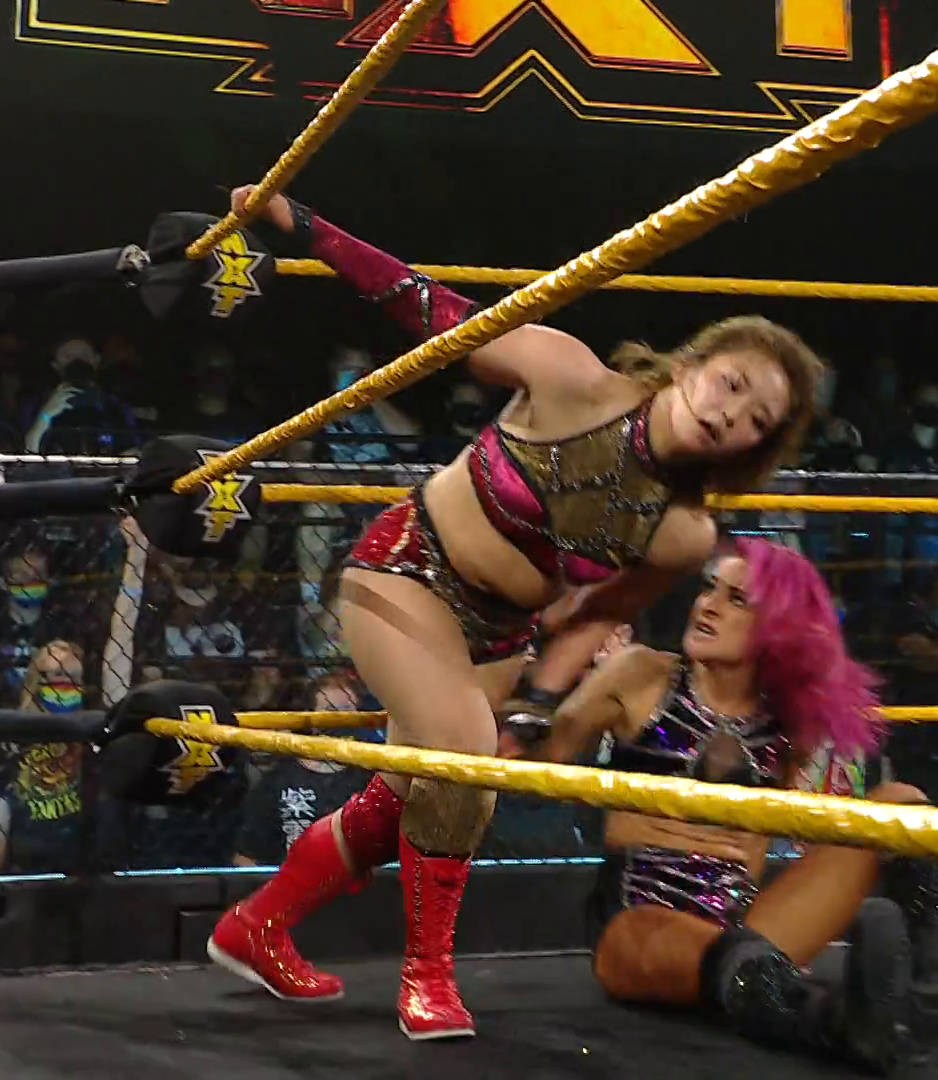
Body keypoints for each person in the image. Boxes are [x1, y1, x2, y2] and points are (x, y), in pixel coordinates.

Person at [208, 187, 824, 1042]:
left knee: (407, 795)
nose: (729, 414)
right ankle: (428, 975)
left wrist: (536, 705)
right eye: (731, 384)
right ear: (691, 364)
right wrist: (300, 225)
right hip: (406, 570)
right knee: (462, 758)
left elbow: (596, 616)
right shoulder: (569, 374)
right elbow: (429, 309)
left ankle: (257, 925)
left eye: (757, 419)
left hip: (502, 633)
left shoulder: (684, 533)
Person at [517, 540, 938, 1073]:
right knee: (730, 955)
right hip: (638, 925)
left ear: (776, 626)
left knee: (901, 804)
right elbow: (543, 753)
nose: (707, 605)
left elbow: (809, 824)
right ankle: (838, 1022)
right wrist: (531, 676)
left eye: (736, 599)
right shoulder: (641, 674)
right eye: (709, 588)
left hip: (743, 923)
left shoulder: (789, 721)